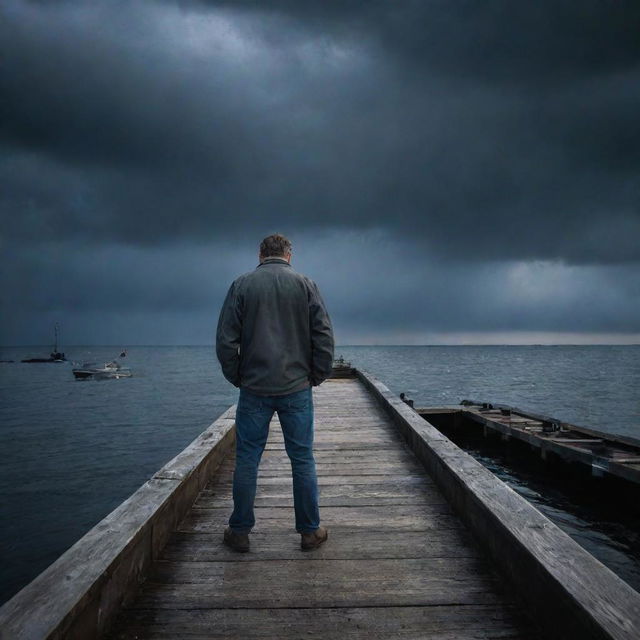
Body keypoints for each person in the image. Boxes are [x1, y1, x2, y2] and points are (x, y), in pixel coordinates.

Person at [216, 233, 335, 552]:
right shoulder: (305, 284)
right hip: (296, 386)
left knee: (247, 460)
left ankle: (240, 531)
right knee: (302, 459)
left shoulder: (242, 285)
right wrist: (318, 374)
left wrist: (237, 376)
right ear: (289, 254)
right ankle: (309, 532)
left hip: (254, 388)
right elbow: (322, 335)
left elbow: (226, 340)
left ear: (260, 254)